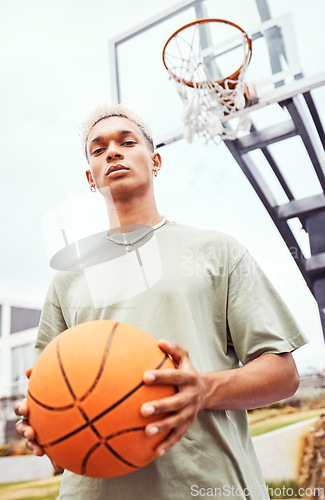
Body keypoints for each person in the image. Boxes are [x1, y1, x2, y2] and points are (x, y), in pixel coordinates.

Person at [15, 104, 307, 500]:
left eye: (126, 142)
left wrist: (203, 388)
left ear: (155, 160)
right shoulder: (68, 277)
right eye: (98, 150)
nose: (112, 153)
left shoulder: (216, 250)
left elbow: (283, 374)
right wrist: (45, 428)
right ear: (90, 178)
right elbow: (50, 392)